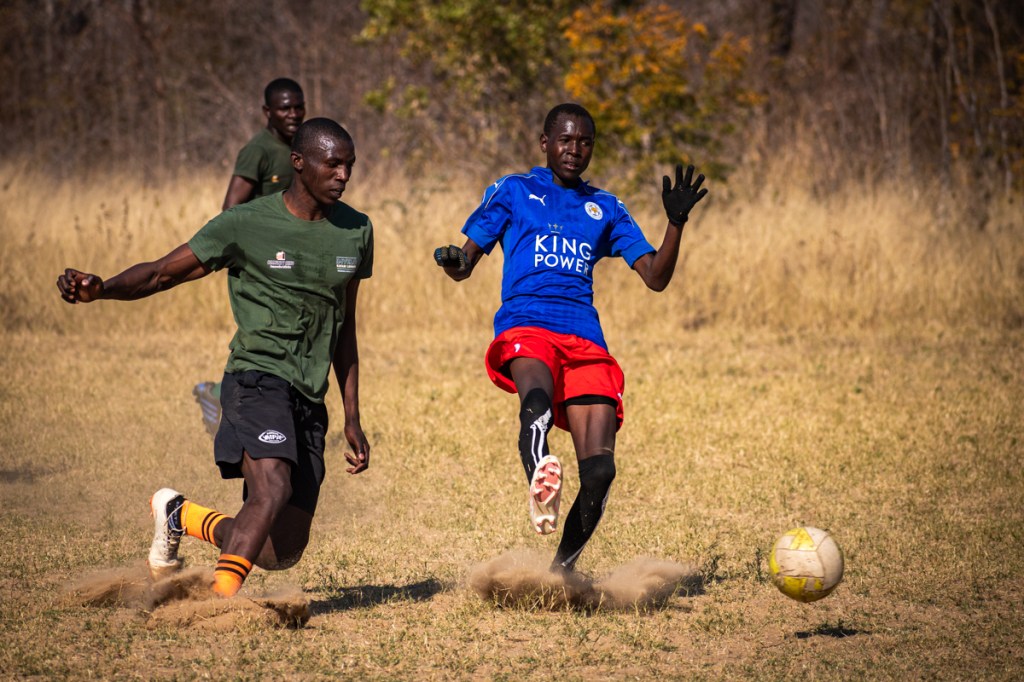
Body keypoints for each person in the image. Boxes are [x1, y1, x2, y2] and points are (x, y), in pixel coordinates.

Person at [57, 118, 373, 598]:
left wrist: (351, 415)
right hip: (256, 378)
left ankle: (181, 515)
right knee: (272, 489)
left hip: (310, 394)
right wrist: (102, 289)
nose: (343, 175)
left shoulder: (356, 230)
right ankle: (218, 605)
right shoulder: (246, 223)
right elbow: (161, 273)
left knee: (278, 552)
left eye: (349, 165)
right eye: (333, 163)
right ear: (298, 162)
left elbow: (345, 325)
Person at [434, 103, 707, 573]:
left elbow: (655, 277)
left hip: (584, 336)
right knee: (536, 400)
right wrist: (452, 258)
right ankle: (541, 481)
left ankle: (561, 574)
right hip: (526, 322)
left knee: (601, 471)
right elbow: (465, 264)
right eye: (565, 139)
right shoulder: (514, 191)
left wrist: (675, 223)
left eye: (584, 142)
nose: (574, 149)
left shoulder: (607, 207)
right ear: (545, 143)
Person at [193, 77, 307, 436]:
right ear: (267, 112)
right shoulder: (258, 150)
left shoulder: (306, 146)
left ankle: (280, 412)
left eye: (298, 106)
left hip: (298, 262)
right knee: (264, 341)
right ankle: (217, 395)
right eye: (284, 108)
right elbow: (230, 209)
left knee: (299, 337)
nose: (293, 114)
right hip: (264, 263)